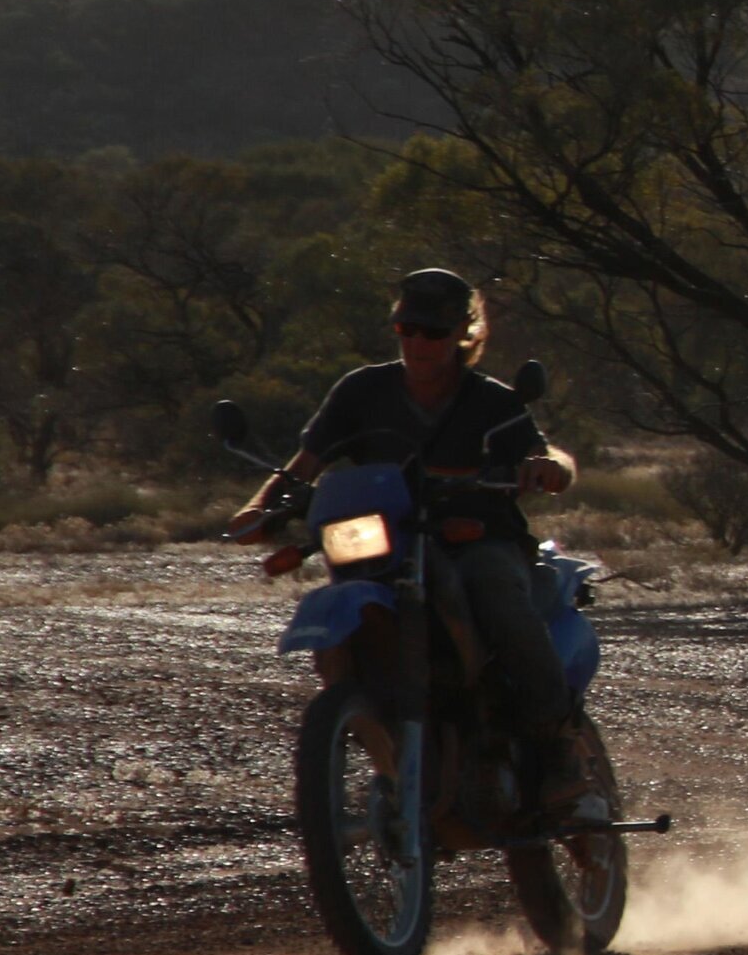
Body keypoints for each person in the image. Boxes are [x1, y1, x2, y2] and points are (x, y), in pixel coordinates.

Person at [232, 269, 595, 821]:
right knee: (347, 603)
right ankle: (383, 752)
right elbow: (305, 465)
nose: (418, 342)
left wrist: (548, 468)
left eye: (433, 331)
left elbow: (551, 455)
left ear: (463, 336)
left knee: (496, 595)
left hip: (478, 539)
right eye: (407, 327)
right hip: (388, 540)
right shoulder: (360, 390)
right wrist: (261, 507)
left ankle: (559, 746)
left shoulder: (491, 400)